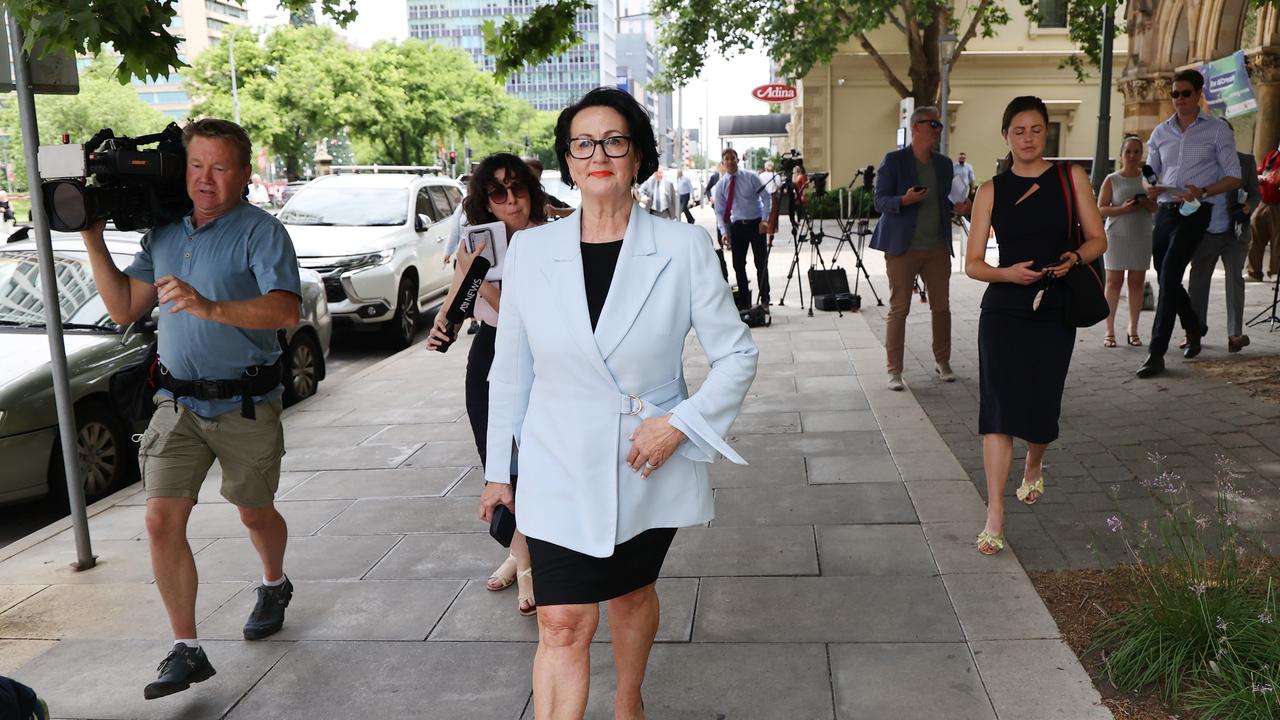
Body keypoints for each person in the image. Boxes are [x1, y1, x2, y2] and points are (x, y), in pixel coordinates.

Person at [480, 86, 757, 719]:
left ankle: (628, 703)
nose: (597, 153)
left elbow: (737, 355)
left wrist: (679, 426)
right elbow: (512, 370)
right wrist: (500, 471)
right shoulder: (530, 250)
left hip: (644, 459)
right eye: (583, 143)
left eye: (614, 141)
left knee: (631, 597)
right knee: (561, 623)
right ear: (568, 162)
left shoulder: (682, 249)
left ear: (638, 158)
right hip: (556, 463)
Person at [77, 119, 302, 698]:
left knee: (254, 513)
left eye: (219, 167)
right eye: (196, 166)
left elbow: (283, 312)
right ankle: (187, 648)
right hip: (175, 404)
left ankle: (273, 581)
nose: (205, 179)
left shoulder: (262, 232)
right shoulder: (166, 235)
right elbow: (125, 306)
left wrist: (212, 307)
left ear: (244, 174)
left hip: (246, 405)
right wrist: (92, 240)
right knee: (160, 519)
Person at [964, 96, 1106, 556]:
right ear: (1006, 136)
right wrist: (1007, 274)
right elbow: (972, 265)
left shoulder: (1071, 177)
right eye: (1019, 130)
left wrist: (1074, 258)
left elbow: (1097, 238)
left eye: (1036, 129)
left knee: (1043, 407)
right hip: (1004, 307)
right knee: (998, 411)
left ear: (1046, 133)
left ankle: (1035, 461)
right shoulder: (990, 189)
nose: (1027, 138)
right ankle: (995, 513)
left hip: (1054, 305)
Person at [427, 153, 548, 616]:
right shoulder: (477, 244)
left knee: (536, 461)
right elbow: (461, 299)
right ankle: (522, 556)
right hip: (491, 351)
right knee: (499, 465)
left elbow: (523, 305)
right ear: (485, 199)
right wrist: (444, 324)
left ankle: (526, 562)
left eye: (518, 187)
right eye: (498, 191)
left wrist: (485, 275)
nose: (511, 199)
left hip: (543, 356)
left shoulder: (553, 235)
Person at [1136, 68, 1242, 378]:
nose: (1179, 99)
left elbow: (1234, 175)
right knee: (1164, 274)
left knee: (1169, 274)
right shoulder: (1160, 132)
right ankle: (1194, 325)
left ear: (1198, 95)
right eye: (1175, 94)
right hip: (1166, 210)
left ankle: (1156, 353)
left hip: (1197, 209)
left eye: (1185, 93)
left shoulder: (1217, 130)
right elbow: (1149, 174)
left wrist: (1205, 190)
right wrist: (1149, 188)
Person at [871, 106, 970, 392]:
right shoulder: (894, 161)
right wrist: (904, 200)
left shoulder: (943, 164)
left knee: (942, 307)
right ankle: (894, 371)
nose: (939, 129)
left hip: (937, 247)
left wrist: (960, 207)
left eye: (940, 125)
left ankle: (943, 362)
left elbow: (949, 199)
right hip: (903, 247)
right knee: (899, 308)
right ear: (916, 127)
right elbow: (879, 201)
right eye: (934, 124)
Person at [1188, 133, 1262, 354]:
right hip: (1206, 231)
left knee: (1234, 279)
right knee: (1198, 281)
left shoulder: (1245, 161)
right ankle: (1195, 332)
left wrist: (1249, 206)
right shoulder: (1202, 162)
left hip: (1235, 233)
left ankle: (1234, 334)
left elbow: (1255, 194)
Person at [1098, 135, 1156, 348]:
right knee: (1113, 282)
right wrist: (1122, 209)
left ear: (1142, 155)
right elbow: (1101, 208)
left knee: (1137, 282)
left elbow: (1157, 207)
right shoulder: (1111, 179)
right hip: (1116, 235)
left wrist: (1146, 203)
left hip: (1141, 233)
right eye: (1128, 151)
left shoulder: (1148, 179)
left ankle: (1133, 328)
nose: (1132, 155)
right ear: (1121, 154)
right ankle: (1109, 330)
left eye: (1136, 151)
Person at [714, 148, 773, 306]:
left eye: (732, 158)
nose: (730, 161)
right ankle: (745, 302)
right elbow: (719, 211)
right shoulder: (721, 185)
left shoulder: (751, 177)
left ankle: (765, 299)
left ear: (737, 160)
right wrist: (724, 231)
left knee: (761, 263)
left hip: (756, 224)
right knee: (738, 265)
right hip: (737, 227)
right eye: (726, 159)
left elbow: (766, 197)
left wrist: (765, 220)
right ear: (723, 163)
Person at [1246, 143, 1280, 281]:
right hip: (1264, 201)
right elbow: (1260, 171)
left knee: (1278, 239)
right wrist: (1259, 177)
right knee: (1255, 235)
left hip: (1278, 203)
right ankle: (1254, 272)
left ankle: (1275, 273)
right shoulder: (1273, 155)